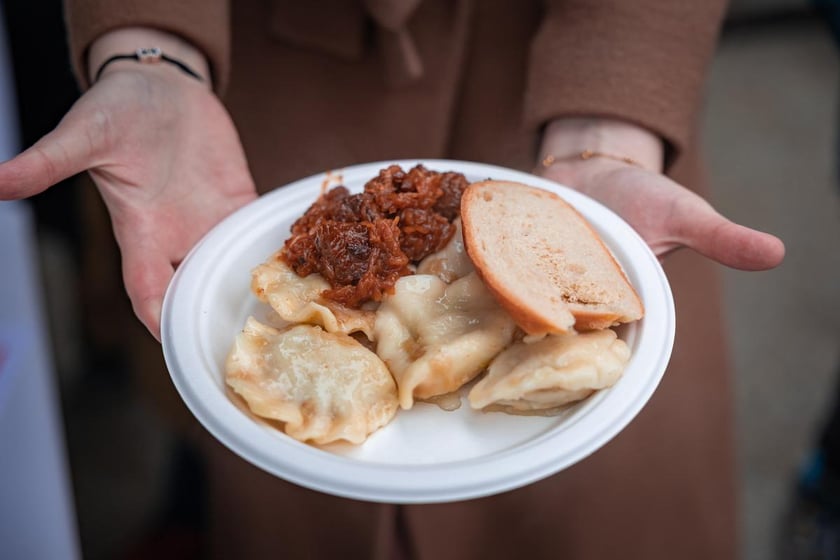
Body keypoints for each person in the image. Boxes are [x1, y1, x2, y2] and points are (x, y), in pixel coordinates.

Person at [0, 1, 786, 558]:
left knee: (607, 510)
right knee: (271, 487)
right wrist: (154, 51)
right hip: (253, 109)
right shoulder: (286, 249)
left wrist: (608, 132)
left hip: (549, 99)